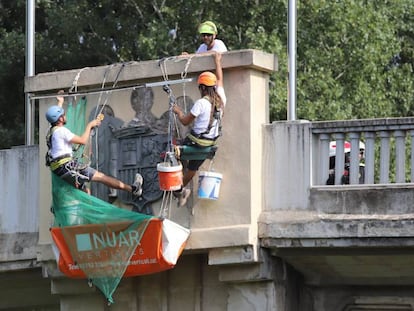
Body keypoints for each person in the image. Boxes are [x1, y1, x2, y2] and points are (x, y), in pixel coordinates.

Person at [45, 91, 143, 198]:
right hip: (68, 167)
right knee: (102, 177)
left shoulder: (51, 130)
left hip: (59, 170)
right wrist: (90, 125)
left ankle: (86, 212)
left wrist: (60, 102)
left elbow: (54, 117)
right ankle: (133, 189)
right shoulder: (62, 131)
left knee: (86, 191)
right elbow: (82, 140)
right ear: (60, 119)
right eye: (63, 115)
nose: (65, 115)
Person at [172, 52, 226, 206]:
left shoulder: (201, 103)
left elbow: (184, 121)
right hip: (209, 143)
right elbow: (220, 80)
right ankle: (181, 189)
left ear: (202, 87)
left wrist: (178, 111)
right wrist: (217, 61)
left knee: (174, 151)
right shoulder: (221, 100)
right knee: (193, 166)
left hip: (197, 141)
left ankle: (178, 185)